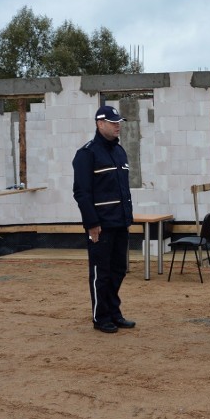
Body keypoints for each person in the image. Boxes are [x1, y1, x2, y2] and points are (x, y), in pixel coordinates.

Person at [72, 105, 135, 334]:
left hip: (120, 223)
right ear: (100, 124)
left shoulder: (119, 152)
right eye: (112, 122)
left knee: (119, 270)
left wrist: (128, 218)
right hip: (101, 225)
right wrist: (92, 224)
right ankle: (101, 317)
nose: (117, 125)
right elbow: (82, 192)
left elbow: (122, 189)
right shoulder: (87, 154)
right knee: (102, 272)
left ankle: (114, 312)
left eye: (119, 121)